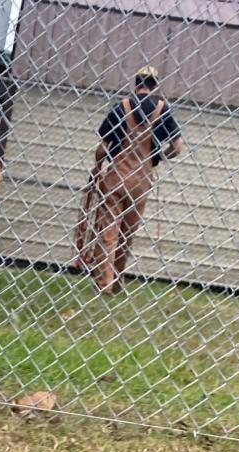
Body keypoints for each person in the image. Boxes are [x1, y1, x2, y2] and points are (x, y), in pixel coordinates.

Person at [76, 66, 184, 294]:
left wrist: (98, 166)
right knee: (127, 234)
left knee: (108, 233)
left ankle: (103, 283)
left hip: (115, 180)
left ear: (136, 84)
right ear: (155, 86)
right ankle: (116, 283)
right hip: (141, 182)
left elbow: (102, 149)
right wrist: (157, 157)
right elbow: (178, 147)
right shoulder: (163, 110)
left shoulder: (121, 107)